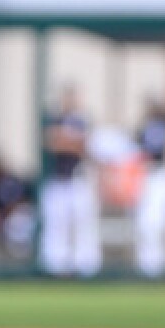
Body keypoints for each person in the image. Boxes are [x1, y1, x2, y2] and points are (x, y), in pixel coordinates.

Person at [38, 84, 100, 277]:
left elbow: (87, 146)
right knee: (56, 223)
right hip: (58, 179)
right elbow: (51, 142)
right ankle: (55, 266)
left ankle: (85, 266)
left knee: (83, 223)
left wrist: (68, 142)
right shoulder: (54, 119)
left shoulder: (83, 121)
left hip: (78, 178)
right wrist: (70, 142)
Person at [132, 95, 165, 278]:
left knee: (159, 223)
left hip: (162, 175)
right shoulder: (142, 129)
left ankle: (159, 266)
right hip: (147, 175)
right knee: (145, 223)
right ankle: (146, 265)